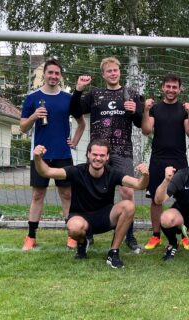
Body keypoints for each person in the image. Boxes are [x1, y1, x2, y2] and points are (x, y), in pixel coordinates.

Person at [33, 139, 149, 268]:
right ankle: (82, 243)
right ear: (88, 154)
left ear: (107, 157)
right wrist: (37, 157)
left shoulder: (113, 173)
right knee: (74, 228)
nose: (98, 158)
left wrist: (145, 175)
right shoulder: (77, 171)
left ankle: (113, 252)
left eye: (102, 155)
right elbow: (46, 172)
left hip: (106, 218)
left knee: (129, 205)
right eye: (95, 154)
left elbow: (139, 185)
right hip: (81, 217)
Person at [70, 56, 143, 253]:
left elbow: (140, 123)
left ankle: (129, 235)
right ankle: (89, 231)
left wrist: (136, 111)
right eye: (109, 71)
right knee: (90, 188)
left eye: (115, 70)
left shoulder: (131, 94)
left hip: (121, 151)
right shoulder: (95, 94)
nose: (113, 73)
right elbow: (74, 109)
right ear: (103, 74)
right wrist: (78, 90)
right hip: (98, 152)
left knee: (127, 192)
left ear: (120, 72)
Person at [20, 59, 85, 251]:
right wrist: (33, 116)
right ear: (45, 74)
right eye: (50, 73)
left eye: (57, 73)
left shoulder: (67, 98)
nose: (54, 76)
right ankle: (31, 236)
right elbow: (23, 128)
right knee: (38, 195)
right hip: (40, 155)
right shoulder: (32, 98)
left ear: (61, 76)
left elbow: (81, 123)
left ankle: (72, 235)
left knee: (67, 194)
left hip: (63, 154)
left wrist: (74, 142)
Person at [141, 74, 189, 251]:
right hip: (158, 159)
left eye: (174, 87)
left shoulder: (183, 109)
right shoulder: (155, 109)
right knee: (156, 200)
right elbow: (146, 130)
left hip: (179, 159)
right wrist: (145, 110)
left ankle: (185, 235)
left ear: (180, 89)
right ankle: (156, 235)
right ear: (162, 88)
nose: (171, 90)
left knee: (184, 198)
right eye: (168, 87)